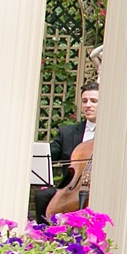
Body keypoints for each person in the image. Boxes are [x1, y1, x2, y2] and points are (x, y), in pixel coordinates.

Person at [34, 81, 99, 222]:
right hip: (71, 190)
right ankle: (44, 236)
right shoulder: (67, 133)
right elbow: (49, 155)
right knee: (42, 196)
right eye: (85, 101)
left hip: (100, 189)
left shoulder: (112, 134)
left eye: (94, 101)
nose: (88, 105)